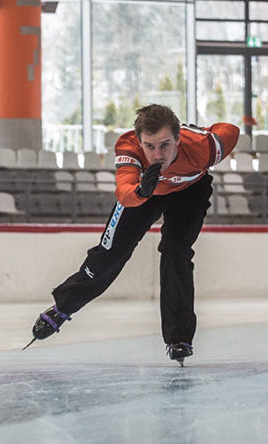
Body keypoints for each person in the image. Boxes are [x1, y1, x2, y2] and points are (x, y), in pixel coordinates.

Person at [26, 104, 239, 365]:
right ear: (139, 141)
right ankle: (63, 307)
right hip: (143, 191)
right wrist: (141, 191)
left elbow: (231, 130)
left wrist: (199, 130)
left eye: (165, 145)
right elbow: (124, 191)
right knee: (110, 253)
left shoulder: (203, 147)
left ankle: (179, 337)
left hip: (190, 192)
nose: (158, 154)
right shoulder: (129, 148)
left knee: (177, 252)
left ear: (178, 138)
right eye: (150, 146)